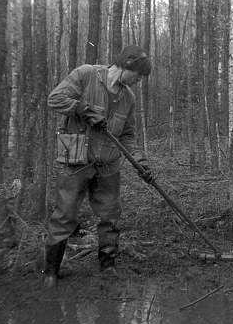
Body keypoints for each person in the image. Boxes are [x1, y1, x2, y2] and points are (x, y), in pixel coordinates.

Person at [43, 45, 154, 288]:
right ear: (127, 64)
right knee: (64, 215)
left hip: (108, 165)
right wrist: (83, 109)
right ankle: (51, 272)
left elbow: (127, 135)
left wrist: (141, 162)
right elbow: (55, 98)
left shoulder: (128, 98)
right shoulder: (86, 75)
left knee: (110, 216)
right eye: (137, 76)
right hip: (76, 161)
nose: (138, 81)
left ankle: (107, 266)